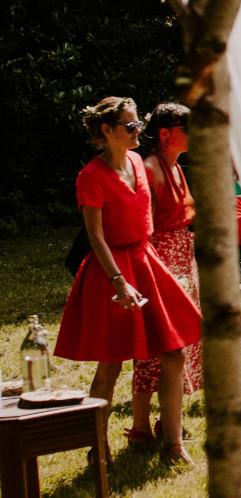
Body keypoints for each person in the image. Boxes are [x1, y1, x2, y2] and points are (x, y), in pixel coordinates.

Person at [55, 97, 201, 464]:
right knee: (112, 362)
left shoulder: (137, 161)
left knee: (174, 350)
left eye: (139, 124)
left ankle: (172, 443)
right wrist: (118, 281)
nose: (139, 131)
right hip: (113, 271)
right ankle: (97, 446)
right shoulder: (90, 176)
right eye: (131, 126)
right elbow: (95, 236)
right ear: (106, 131)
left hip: (146, 260)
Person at [130, 103, 201, 447]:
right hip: (160, 262)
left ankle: (166, 422)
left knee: (180, 346)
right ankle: (140, 426)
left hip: (182, 260)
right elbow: (142, 226)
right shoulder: (149, 169)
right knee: (154, 349)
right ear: (166, 133)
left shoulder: (176, 167)